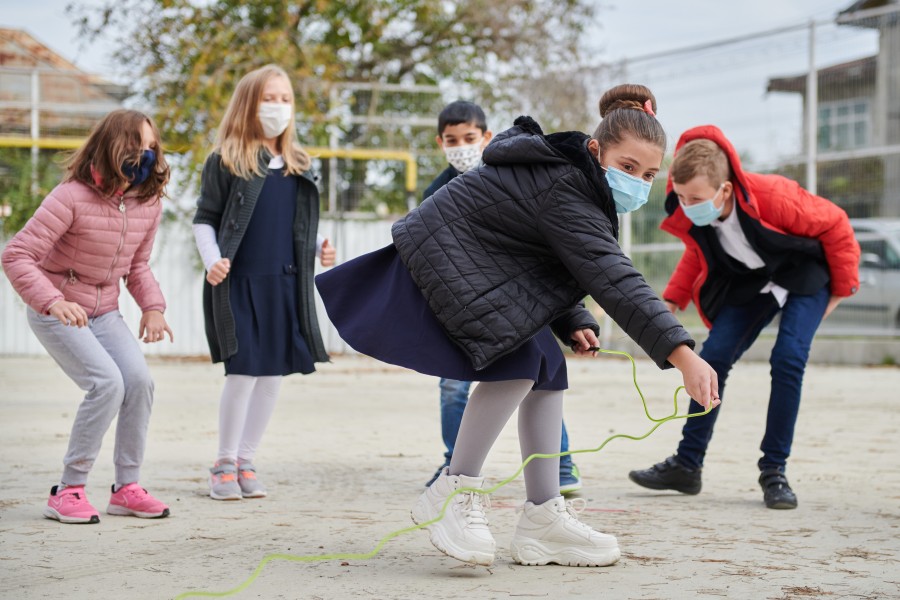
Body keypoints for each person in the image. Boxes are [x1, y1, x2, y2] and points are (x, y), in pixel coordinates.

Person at [316, 84, 719, 567]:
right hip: (445, 260)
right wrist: (682, 354)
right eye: (627, 167)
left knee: (548, 369)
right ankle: (452, 492)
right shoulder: (566, 186)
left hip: (478, 266)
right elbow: (613, 275)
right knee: (519, 360)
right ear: (596, 150)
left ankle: (544, 518)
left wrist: (572, 317)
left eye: (649, 174)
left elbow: (547, 256)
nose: (636, 180)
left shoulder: (574, 183)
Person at [627, 125, 859, 509]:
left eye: (696, 198)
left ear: (726, 190)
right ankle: (687, 465)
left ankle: (774, 471)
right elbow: (697, 254)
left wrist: (841, 288)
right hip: (752, 282)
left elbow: (836, 224)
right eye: (681, 197)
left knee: (787, 359)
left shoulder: (774, 195)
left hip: (804, 274)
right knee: (711, 357)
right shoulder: (697, 213)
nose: (687, 205)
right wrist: (671, 300)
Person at [1, 109, 174, 524]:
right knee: (107, 383)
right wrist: (52, 300)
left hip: (105, 311)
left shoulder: (146, 202)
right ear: (112, 147)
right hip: (57, 311)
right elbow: (16, 254)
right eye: (137, 147)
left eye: (152, 148)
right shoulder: (71, 196)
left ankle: (126, 488)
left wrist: (153, 307)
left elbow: (137, 266)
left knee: (139, 382)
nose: (146, 156)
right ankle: (68, 489)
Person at [192, 64, 336, 501]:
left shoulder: (300, 165)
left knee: (272, 374)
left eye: (285, 99)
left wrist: (318, 253)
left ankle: (246, 460)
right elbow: (204, 220)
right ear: (248, 105)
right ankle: (223, 461)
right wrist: (213, 260)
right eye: (268, 99)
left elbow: (299, 227)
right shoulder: (225, 160)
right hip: (239, 283)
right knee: (243, 372)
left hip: (284, 284)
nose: (278, 107)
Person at [423, 100, 581, 494]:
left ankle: (560, 466)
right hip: (463, 305)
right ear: (440, 142)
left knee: (542, 377)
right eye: (452, 140)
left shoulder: (510, 178)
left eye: (469, 138)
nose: (461, 146)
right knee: (453, 386)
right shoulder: (435, 193)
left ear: (486, 138)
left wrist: (572, 315)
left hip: (523, 301)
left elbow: (545, 250)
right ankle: (454, 463)